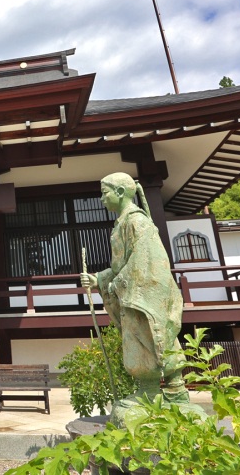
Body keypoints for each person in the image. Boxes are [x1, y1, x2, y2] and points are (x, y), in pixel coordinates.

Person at [81, 172, 195, 423]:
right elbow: (123, 263)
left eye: (105, 192)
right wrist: (99, 278)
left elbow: (144, 261)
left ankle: (162, 391)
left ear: (121, 192)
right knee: (148, 339)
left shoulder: (137, 222)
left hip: (142, 296)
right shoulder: (124, 223)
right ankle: (155, 390)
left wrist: (116, 284)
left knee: (151, 338)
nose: (101, 199)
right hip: (134, 294)